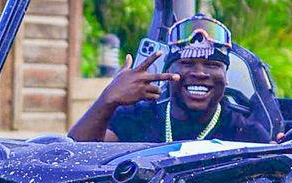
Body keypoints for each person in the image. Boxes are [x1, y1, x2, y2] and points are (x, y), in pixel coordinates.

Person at [69, 15, 270, 145]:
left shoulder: (246, 134)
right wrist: (107, 100)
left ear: (225, 77)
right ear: (168, 72)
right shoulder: (137, 118)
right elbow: (74, 159)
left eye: (212, 65)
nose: (200, 73)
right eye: (187, 63)